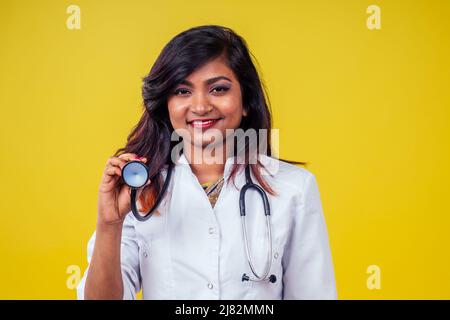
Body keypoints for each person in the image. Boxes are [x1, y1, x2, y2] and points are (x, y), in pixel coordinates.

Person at [77, 25, 337, 300]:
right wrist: (110, 224)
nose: (200, 106)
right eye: (182, 91)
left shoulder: (294, 188)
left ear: (246, 101)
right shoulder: (137, 191)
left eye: (218, 89)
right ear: (165, 103)